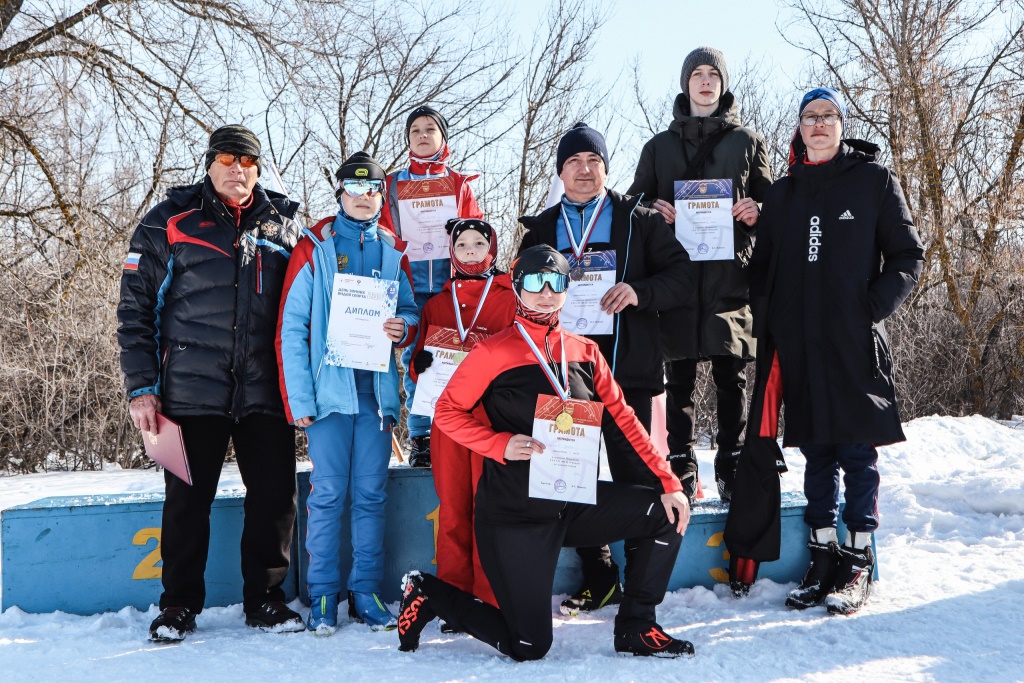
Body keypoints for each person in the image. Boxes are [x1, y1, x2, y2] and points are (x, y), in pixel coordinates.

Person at [396, 245, 694, 661]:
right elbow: (446, 412)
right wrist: (499, 445)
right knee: (529, 645)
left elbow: (625, 420)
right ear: (517, 287)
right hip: (515, 515)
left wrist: (668, 481)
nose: (547, 292)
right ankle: (428, 592)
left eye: (558, 282)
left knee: (668, 512)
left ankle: (637, 627)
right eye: (536, 281)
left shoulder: (586, 352)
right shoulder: (492, 353)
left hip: (571, 503)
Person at [118, 125, 304, 641]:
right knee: (186, 500)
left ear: (259, 169)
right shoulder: (170, 220)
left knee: (274, 497)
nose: (237, 169)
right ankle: (178, 604)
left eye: (248, 161)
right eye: (227, 159)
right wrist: (141, 386)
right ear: (209, 164)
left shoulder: (285, 226)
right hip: (190, 389)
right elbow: (134, 310)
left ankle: (265, 600)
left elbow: (309, 312)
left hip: (264, 390)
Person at [748, 88, 923, 614]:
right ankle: (822, 555)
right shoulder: (783, 194)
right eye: (809, 117)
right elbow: (764, 270)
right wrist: (774, 320)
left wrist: (869, 308)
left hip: (854, 343)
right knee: (816, 452)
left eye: (827, 116)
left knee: (856, 451)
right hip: (800, 344)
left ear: (841, 125)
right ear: (799, 128)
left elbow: (907, 255)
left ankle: (858, 557)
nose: (818, 125)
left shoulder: (873, 180)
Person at [518, 122, 690, 616]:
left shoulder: (637, 218)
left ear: (606, 167)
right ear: (561, 171)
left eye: (593, 161)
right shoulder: (543, 228)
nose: (585, 170)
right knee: (571, 475)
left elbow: (681, 278)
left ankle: (641, 578)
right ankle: (599, 578)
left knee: (637, 477)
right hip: (562, 373)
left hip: (627, 371)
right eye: (574, 162)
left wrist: (640, 292)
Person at [277, 152, 420, 635]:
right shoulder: (314, 246)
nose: (364, 198)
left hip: (376, 397)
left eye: (373, 191)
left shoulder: (392, 248)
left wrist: (406, 326)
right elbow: (291, 328)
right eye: (354, 190)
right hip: (329, 399)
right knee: (328, 494)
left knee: (371, 496)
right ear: (340, 192)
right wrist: (300, 401)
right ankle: (322, 596)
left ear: (383, 196)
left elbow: (409, 309)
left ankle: (365, 591)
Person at [627, 47, 773, 504]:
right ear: (686, 83)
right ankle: (682, 464)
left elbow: (778, 210)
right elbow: (632, 206)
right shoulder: (658, 147)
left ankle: (731, 462)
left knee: (733, 377)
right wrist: (654, 208)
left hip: (731, 278)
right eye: (698, 75)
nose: (706, 82)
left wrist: (758, 210)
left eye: (713, 75)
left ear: (723, 84)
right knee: (680, 380)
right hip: (678, 278)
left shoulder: (748, 143)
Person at [407, 218, 517, 612]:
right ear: (451, 252)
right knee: (452, 510)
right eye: (462, 244)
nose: (470, 251)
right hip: (448, 423)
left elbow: (523, 357)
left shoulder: (510, 297)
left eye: (477, 243)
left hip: (491, 420)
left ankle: (489, 598)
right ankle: (454, 600)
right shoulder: (438, 303)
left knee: (487, 509)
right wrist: (420, 363)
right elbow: (419, 368)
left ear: (492, 249)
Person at [379, 105, 484, 467]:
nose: (422, 135)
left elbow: (477, 232)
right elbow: (384, 231)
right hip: (409, 284)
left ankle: (457, 430)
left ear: (443, 137)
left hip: (450, 286)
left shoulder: (459, 184)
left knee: (456, 357)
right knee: (416, 359)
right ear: (408, 139)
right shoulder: (391, 184)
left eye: (430, 129)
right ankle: (422, 436)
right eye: (415, 131)